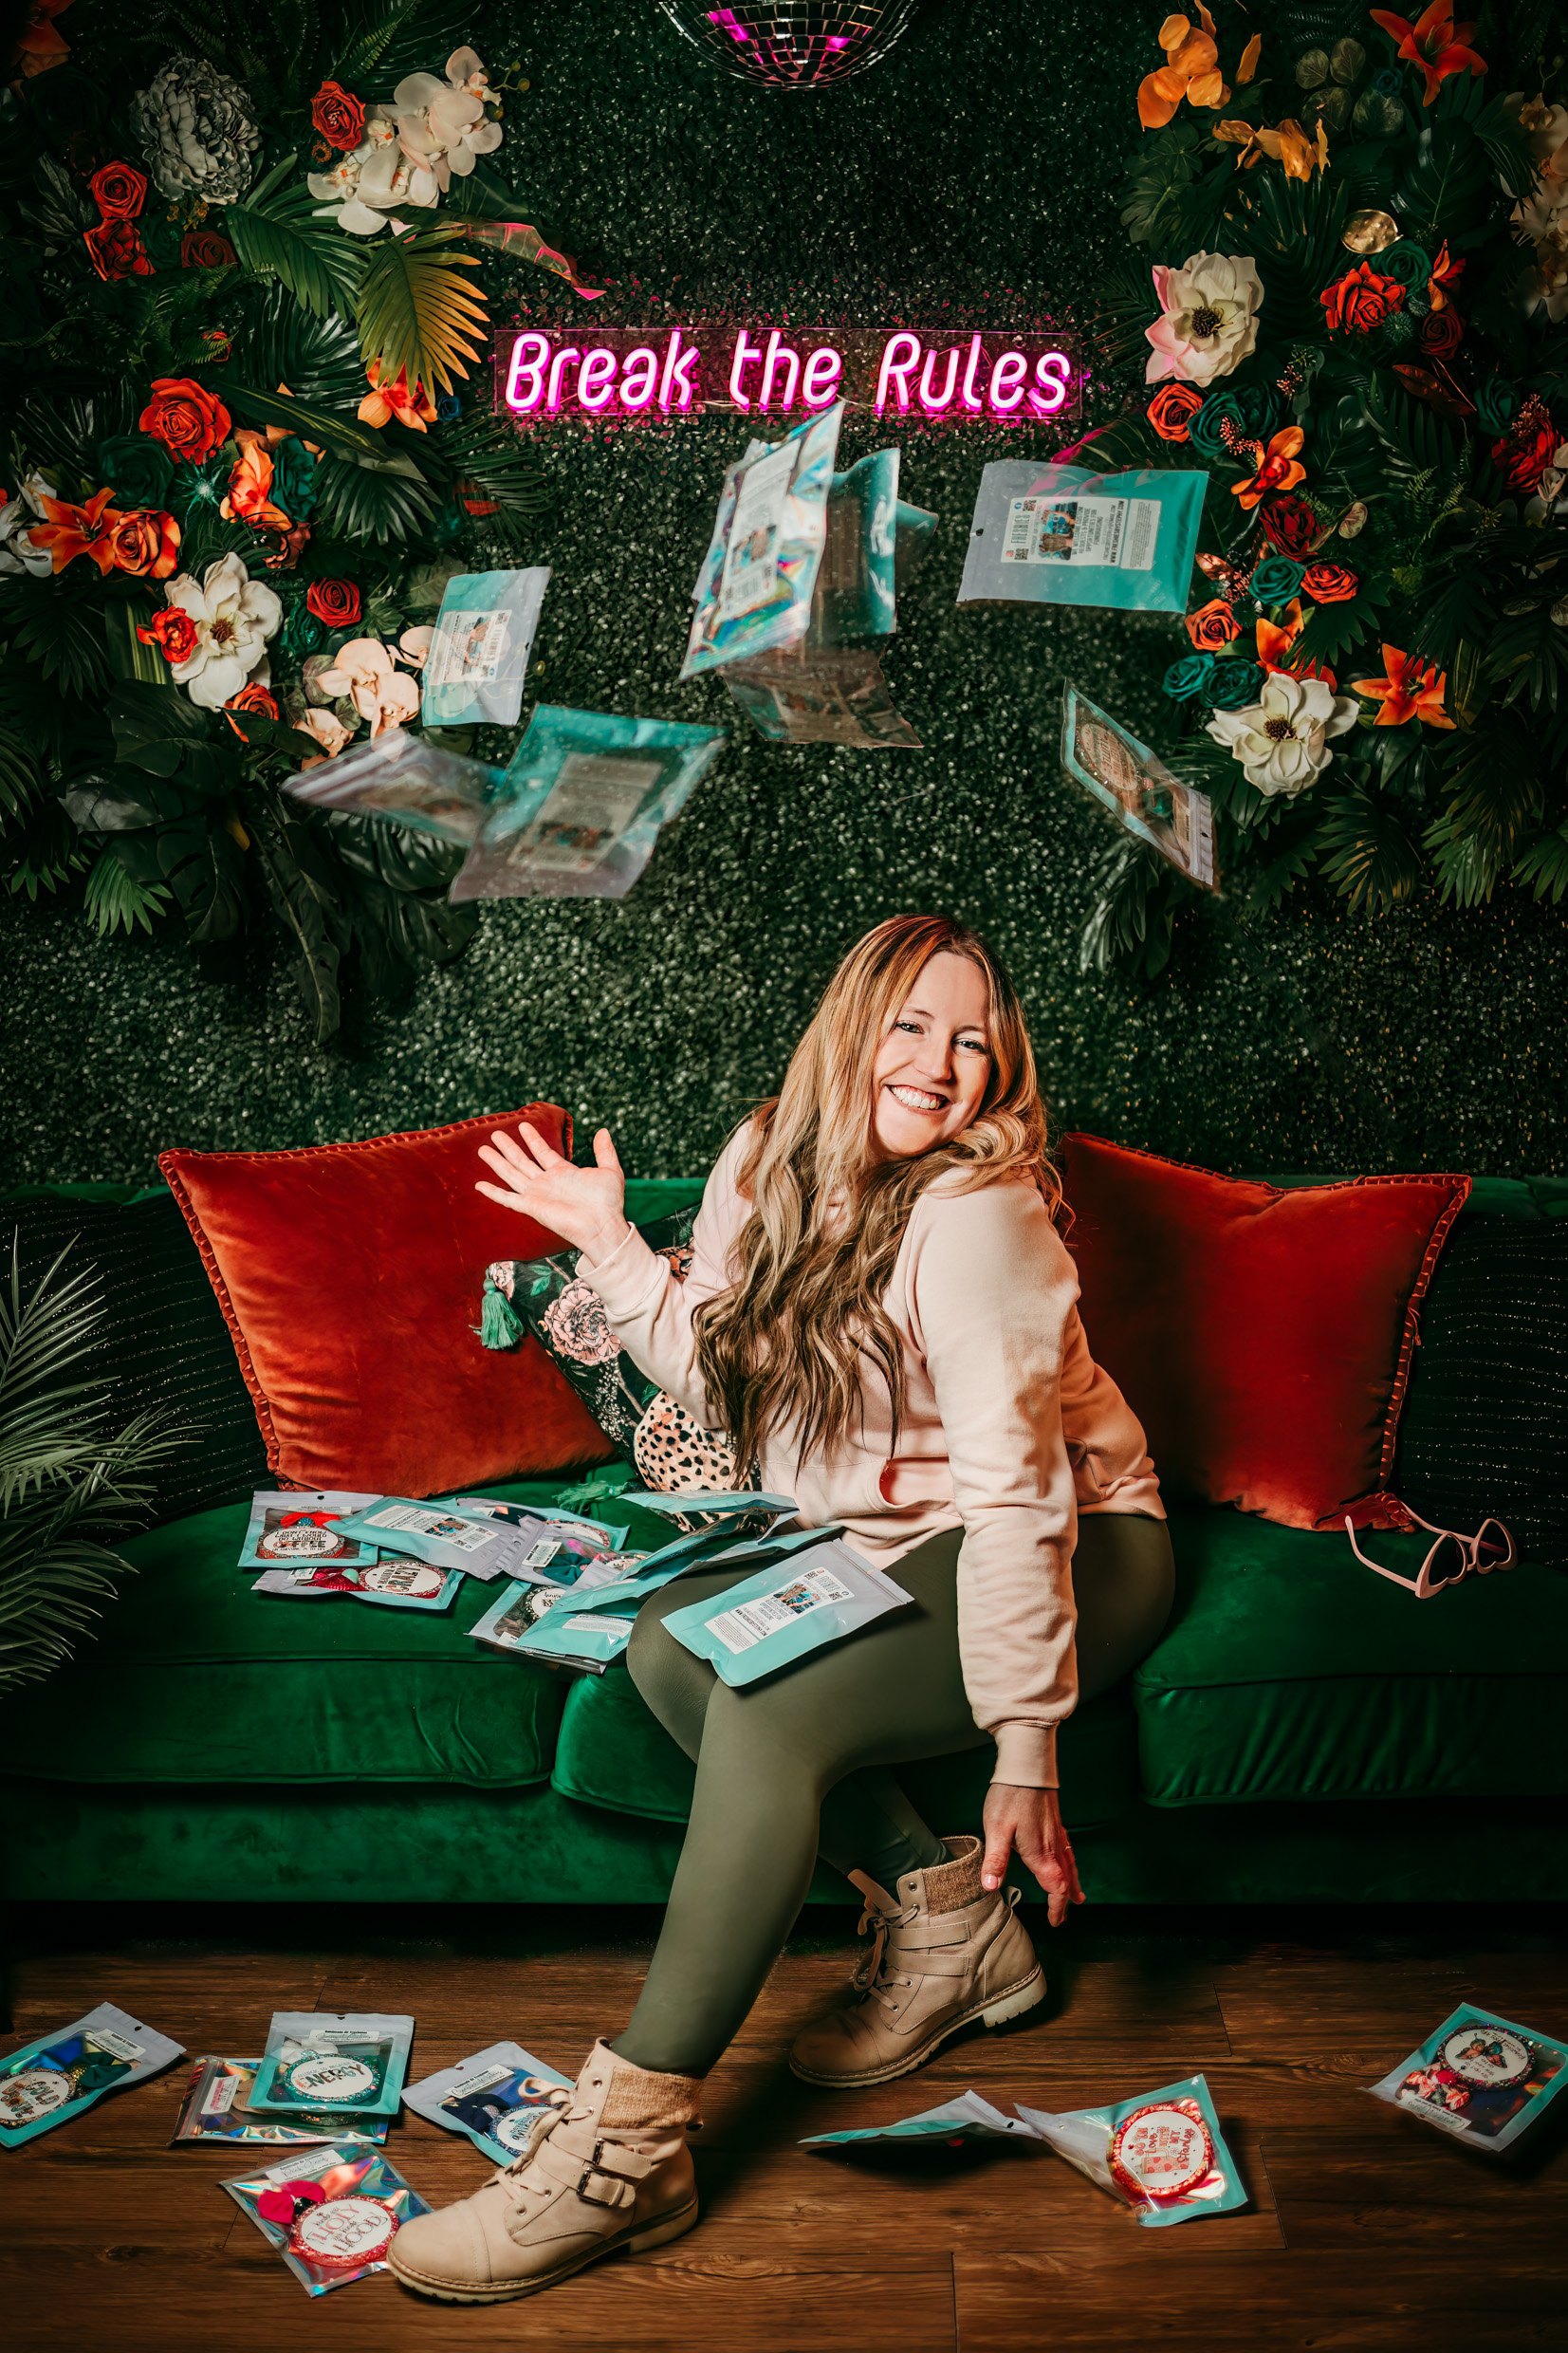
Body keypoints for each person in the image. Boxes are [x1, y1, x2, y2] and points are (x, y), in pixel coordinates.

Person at [388, 914, 1175, 2307]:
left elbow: (1013, 1502)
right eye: (912, 1026)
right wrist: (612, 1250)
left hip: (1076, 1542)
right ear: (848, 1023)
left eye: (975, 1043)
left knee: (760, 1706)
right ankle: (952, 1931)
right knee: (665, 1646)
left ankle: (629, 2147)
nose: (938, 1068)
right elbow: (727, 1387)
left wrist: (1022, 1748)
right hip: (887, 1532)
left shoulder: (982, 1217)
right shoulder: (768, 1156)